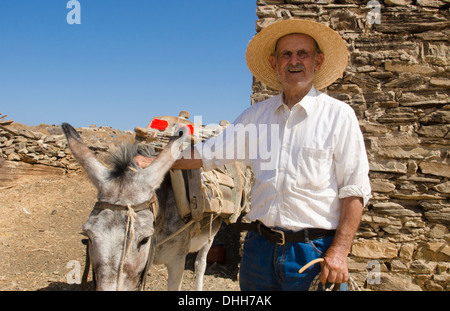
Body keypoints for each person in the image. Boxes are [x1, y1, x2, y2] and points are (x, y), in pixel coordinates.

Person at [136, 19, 371, 291]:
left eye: (302, 53)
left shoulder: (339, 117)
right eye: (286, 54)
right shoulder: (254, 118)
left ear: (317, 61)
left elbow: (354, 190)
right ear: (274, 63)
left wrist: (339, 252)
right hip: (259, 252)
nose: (294, 61)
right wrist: (157, 162)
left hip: (313, 253)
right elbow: (206, 153)